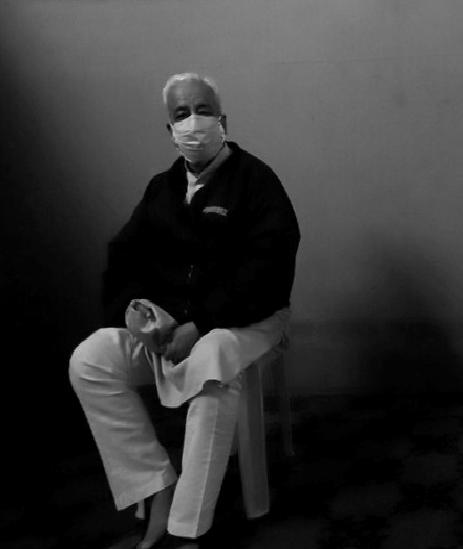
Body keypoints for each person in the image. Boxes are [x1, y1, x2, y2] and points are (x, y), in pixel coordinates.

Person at [68, 73, 300, 549]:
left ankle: (186, 529)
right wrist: (140, 314)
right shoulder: (161, 189)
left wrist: (201, 322)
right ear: (169, 130)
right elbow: (124, 258)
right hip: (172, 327)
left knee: (213, 357)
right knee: (90, 360)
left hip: (246, 322)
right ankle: (156, 486)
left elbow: (268, 271)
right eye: (181, 114)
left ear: (222, 119)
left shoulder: (257, 181)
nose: (194, 122)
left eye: (203, 110)